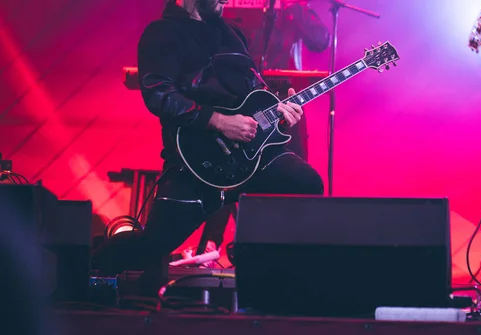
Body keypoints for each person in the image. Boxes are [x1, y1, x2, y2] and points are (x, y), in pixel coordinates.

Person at [92, 0, 324, 293]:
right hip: (197, 159)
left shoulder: (233, 34)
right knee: (154, 242)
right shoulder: (163, 32)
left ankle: (273, 283)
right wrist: (217, 121)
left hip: (252, 154)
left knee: (305, 183)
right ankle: (80, 270)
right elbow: (159, 94)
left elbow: (253, 92)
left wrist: (279, 114)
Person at [195, 0, 330, 264]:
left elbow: (320, 40)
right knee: (228, 168)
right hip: (241, 99)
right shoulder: (236, 6)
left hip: (283, 99)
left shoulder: (293, 8)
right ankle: (210, 247)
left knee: (296, 176)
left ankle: (287, 251)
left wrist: (297, 7)